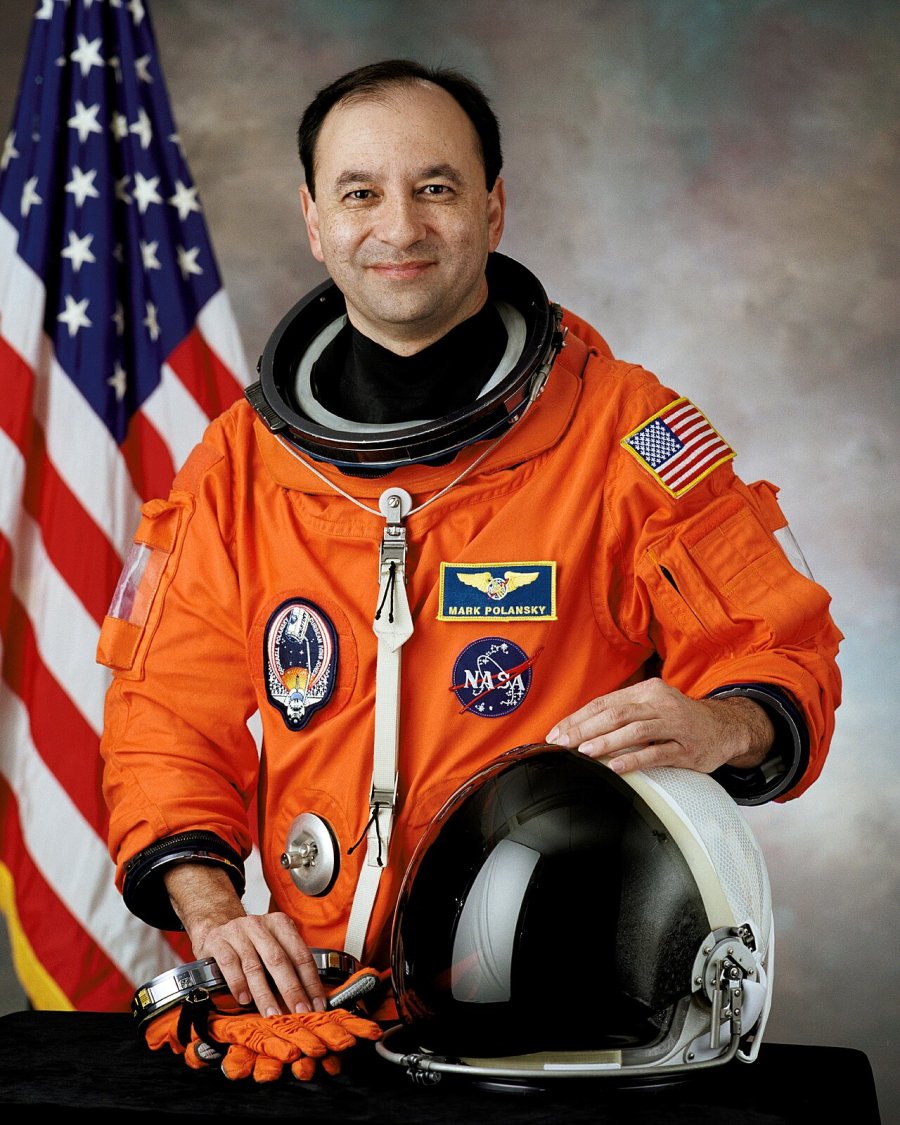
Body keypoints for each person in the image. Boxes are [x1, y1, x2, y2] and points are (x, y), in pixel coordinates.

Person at [98, 59, 842, 1024]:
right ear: (314, 222)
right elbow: (163, 717)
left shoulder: (624, 436)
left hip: (554, 1007)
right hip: (314, 1004)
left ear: (493, 210)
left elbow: (782, 645)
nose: (399, 228)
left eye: (436, 189)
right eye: (360, 194)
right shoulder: (240, 465)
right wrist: (216, 913)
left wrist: (722, 725)